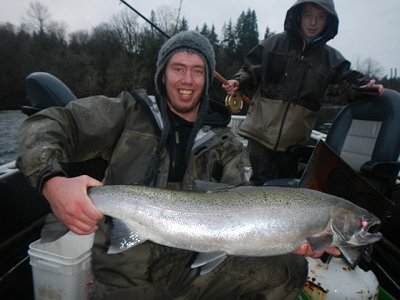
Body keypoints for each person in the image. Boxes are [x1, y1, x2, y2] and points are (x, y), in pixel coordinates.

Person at [17, 30, 338, 299]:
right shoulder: (127, 111)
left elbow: (238, 216)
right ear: (162, 73)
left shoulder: (225, 143)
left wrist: (286, 237)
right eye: (178, 68)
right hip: (123, 275)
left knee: (289, 268)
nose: (188, 80)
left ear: (206, 78)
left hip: (189, 268)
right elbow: (52, 124)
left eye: (198, 70)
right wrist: (51, 180)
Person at [223, 0, 384, 185]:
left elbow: (347, 82)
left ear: (328, 21)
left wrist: (365, 87)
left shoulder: (331, 59)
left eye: (320, 16)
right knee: (260, 184)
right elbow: (250, 69)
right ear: (298, 16)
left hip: (294, 142)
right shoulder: (273, 44)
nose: (313, 22)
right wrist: (238, 81)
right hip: (260, 133)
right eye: (308, 15)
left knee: (286, 189)